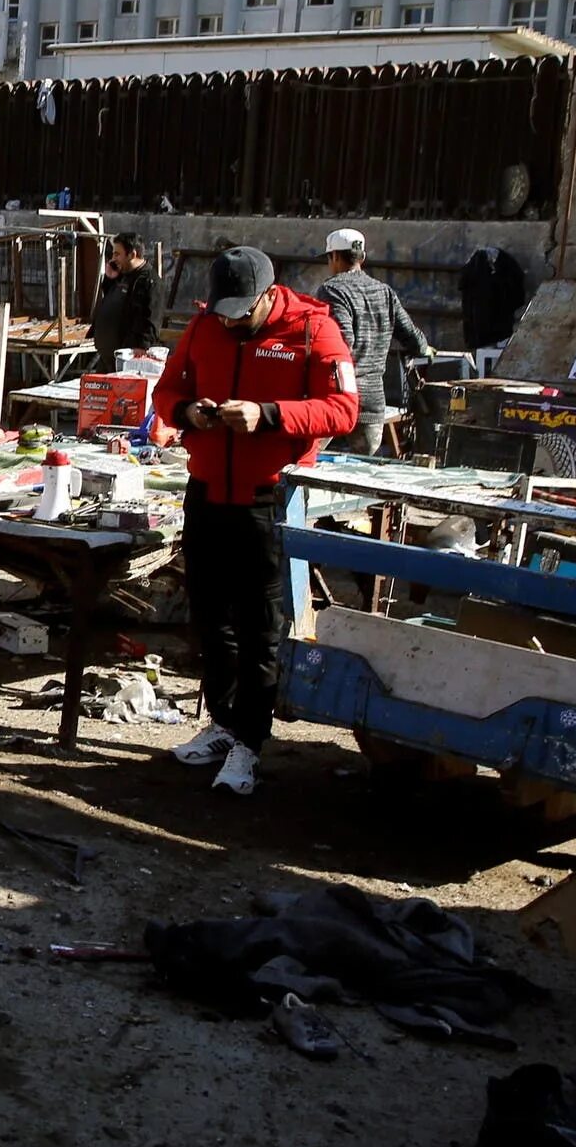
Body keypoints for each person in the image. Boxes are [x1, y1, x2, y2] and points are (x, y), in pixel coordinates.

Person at [153, 246, 359, 797]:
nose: (228, 319)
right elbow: (167, 387)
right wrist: (185, 412)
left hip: (268, 498)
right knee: (210, 618)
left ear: (270, 295)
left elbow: (343, 410)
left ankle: (249, 741)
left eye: (240, 311)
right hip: (206, 493)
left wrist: (268, 415)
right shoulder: (203, 326)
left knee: (259, 627)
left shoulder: (315, 330)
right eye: (221, 309)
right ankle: (221, 723)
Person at [318, 228, 431, 456]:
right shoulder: (385, 292)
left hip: (336, 397)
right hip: (372, 401)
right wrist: (426, 348)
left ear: (336, 257)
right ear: (362, 257)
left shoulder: (332, 290)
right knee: (364, 472)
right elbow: (414, 339)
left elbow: (342, 343)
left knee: (305, 465)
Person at [88, 232, 160, 374]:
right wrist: (109, 279)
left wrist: (140, 347)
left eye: (117, 254)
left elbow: (151, 319)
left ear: (132, 255)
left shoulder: (149, 281)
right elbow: (110, 301)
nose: (113, 259)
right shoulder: (121, 275)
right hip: (107, 357)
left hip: (127, 359)